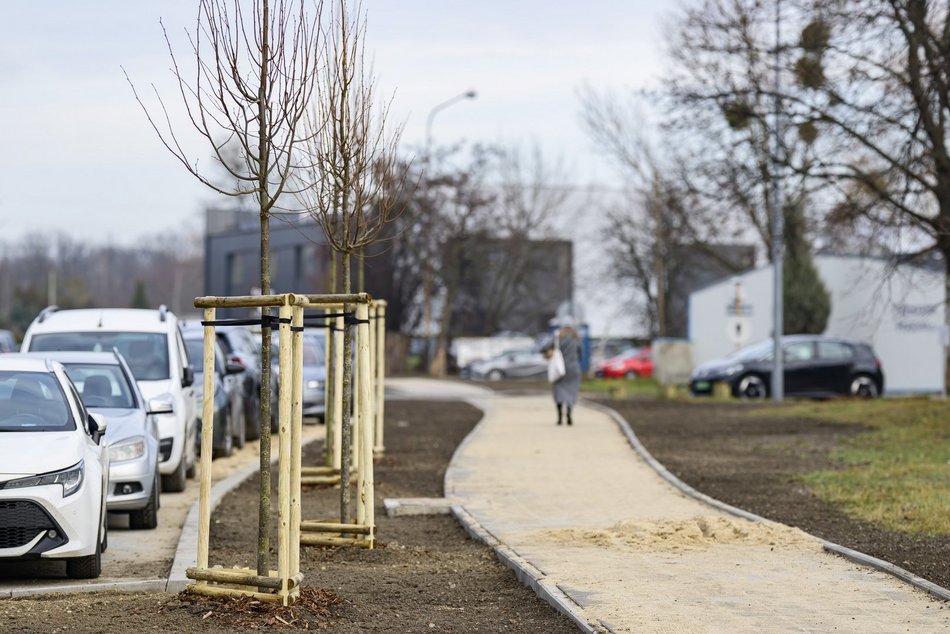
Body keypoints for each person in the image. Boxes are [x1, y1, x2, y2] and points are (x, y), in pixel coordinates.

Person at [545, 325, 582, 426]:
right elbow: (580, 355)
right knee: (572, 391)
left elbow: (545, 349)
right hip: (573, 369)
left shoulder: (557, 339)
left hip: (559, 369)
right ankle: (569, 411)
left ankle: (560, 417)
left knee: (558, 391)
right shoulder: (577, 340)